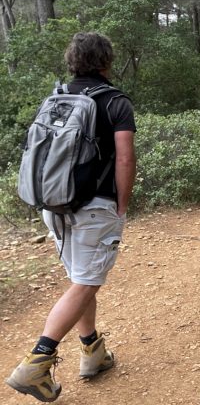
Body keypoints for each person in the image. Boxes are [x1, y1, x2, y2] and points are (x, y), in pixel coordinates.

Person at [6, 33, 137, 402]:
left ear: (72, 61)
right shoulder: (114, 101)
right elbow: (125, 157)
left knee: (82, 280)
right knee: (86, 284)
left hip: (55, 206)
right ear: (106, 61)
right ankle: (36, 362)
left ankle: (92, 353)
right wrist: (121, 204)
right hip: (95, 208)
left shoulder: (56, 98)